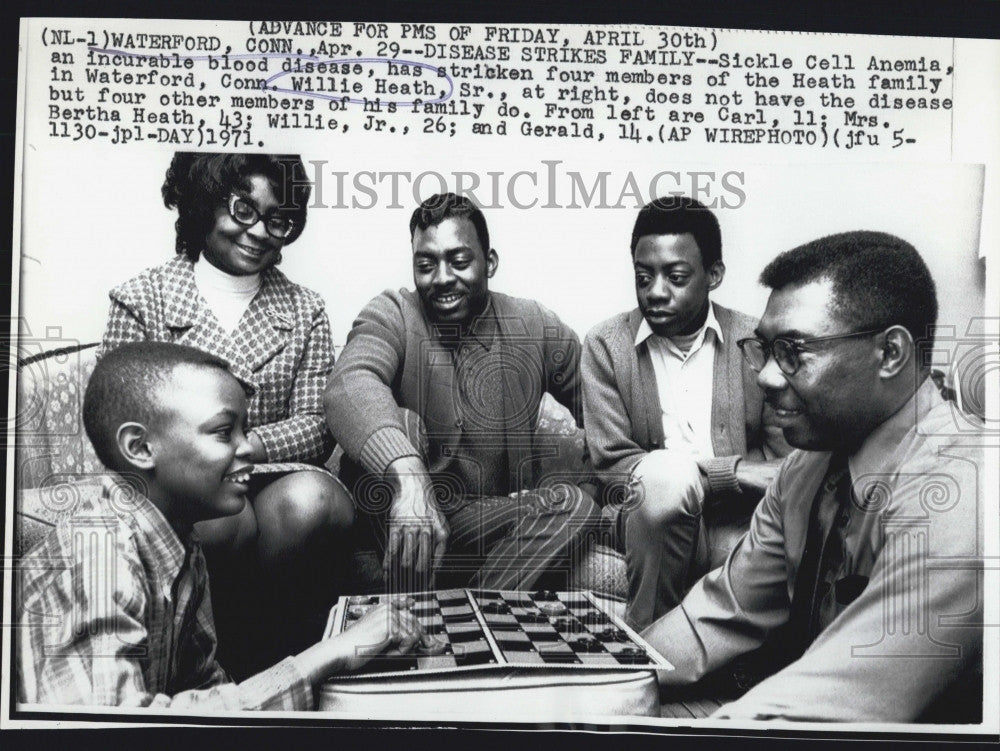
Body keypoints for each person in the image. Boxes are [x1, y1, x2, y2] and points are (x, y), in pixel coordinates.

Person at [642, 231, 983, 722]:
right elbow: (718, 617)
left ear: (890, 354)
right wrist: (593, 670)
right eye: (764, 349)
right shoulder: (807, 466)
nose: (765, 377)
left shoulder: (964, 491)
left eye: (794, 351)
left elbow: (848, 696)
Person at [17, 342, 422, 709]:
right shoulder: (97, 555)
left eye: (244, 429)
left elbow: (207, 692)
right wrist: (329, 653)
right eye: (224, 432)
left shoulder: (181, 547)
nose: (248, 447)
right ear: (139, 448)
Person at [98, 153, 353, 673]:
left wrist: (243, 447)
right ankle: (223, 665)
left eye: (278, 219)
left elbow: (316, 427)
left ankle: (275, 659)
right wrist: (206, 456)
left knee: (312, 501)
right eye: (243, 209)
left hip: (272, 475)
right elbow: (115, 420)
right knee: (220, 521)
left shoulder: (306, 309)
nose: (259, 231)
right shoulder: (142, 298)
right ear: (202, 207)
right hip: (184, 481)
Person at [324, 193, 601, 591]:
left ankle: (472, 615)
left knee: (572, 503)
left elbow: (603, 407)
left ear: (489, 263)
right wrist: (408, 476)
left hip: (487, 520)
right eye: (426, 264)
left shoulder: (534, 324)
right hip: (400, 521)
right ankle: (442, 601)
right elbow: (350, 383)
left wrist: (594, 483)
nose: (441, 278)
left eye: (458, 261)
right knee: (404, 423)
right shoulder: (393, 313)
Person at [581, 196, 790, 630]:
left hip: (738, 514)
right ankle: (647, 651)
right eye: (643, 276)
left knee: (747, 545)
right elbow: (615, 466)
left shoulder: (756, 340)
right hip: (647, 513)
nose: (655, 291)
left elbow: (782, 460)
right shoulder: (605, 345)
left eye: (675, 277)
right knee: (666, 478)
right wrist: (727, 472)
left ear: (713, 275)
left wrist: (741, 485)